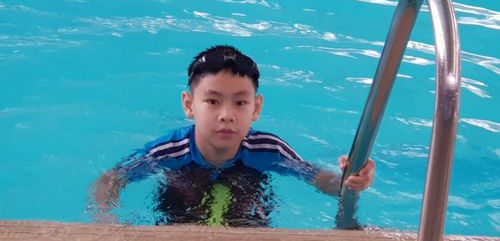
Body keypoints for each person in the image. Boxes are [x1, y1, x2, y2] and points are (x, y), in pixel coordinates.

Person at [91, 45, 375, 227]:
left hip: (247, 217)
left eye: (240, 103)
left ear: (256, 108)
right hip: (181, 215)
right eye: (213, 101)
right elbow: (110, 179)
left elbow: (319, 179)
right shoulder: (168, 150)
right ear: (189, 105)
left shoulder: (269, 149)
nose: (227, 114)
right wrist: (106, 216)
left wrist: (349, 181)